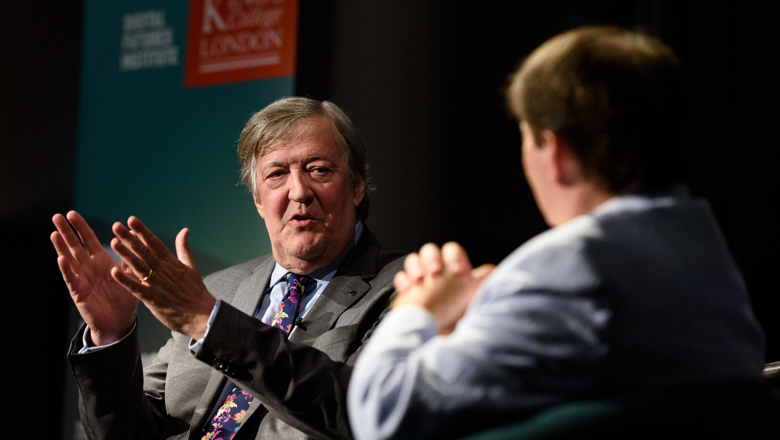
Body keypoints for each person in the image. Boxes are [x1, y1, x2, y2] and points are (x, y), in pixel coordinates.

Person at [347, 26, 768, 440]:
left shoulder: (569, 269)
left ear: (557, 153)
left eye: (528, 138)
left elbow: (383, 412)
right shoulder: (709, 260)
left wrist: (420, 307)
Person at [52, 97, 405, 439]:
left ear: (357, 185)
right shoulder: (217, 289)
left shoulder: (409, 286)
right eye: (277, 174)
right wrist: (111, 338)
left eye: (319, 170)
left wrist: (209, 323)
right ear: (257, 200)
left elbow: (366, 414)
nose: (299, 191)